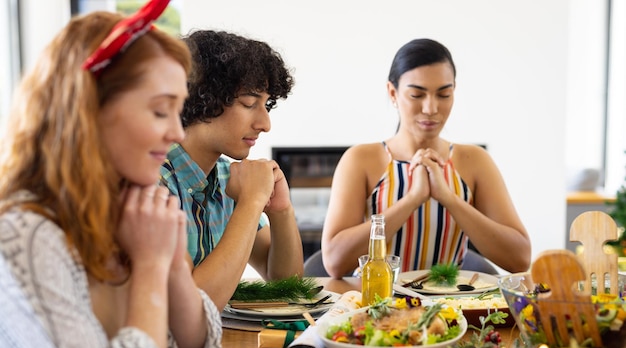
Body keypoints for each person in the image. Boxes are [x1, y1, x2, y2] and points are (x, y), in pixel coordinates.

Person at [0, 3, 227, 348]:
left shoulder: (127, 213)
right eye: (160, 110)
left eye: (178, 111)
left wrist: (173, 264)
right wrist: (153, 265)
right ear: (87, 110)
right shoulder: (23, 236)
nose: (176, 132)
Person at [321, 38, 531, 278]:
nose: (431, 108)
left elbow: (520, 259)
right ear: (393, 92)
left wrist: (449, 198)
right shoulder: (360, 160)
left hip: (450, 308)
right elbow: (335, 261)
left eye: (443, 94)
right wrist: (412, 199)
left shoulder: (474, 161)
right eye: (417, 95)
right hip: (375, 304)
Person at [160, 30, 304, 311]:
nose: (265, 123)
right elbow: (193, 310)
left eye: (266, 105)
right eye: (249, 104)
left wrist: (281, 210)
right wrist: (250, 203)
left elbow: (287, 285)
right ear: (203, 99)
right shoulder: (152, 184)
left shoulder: (228, 176)